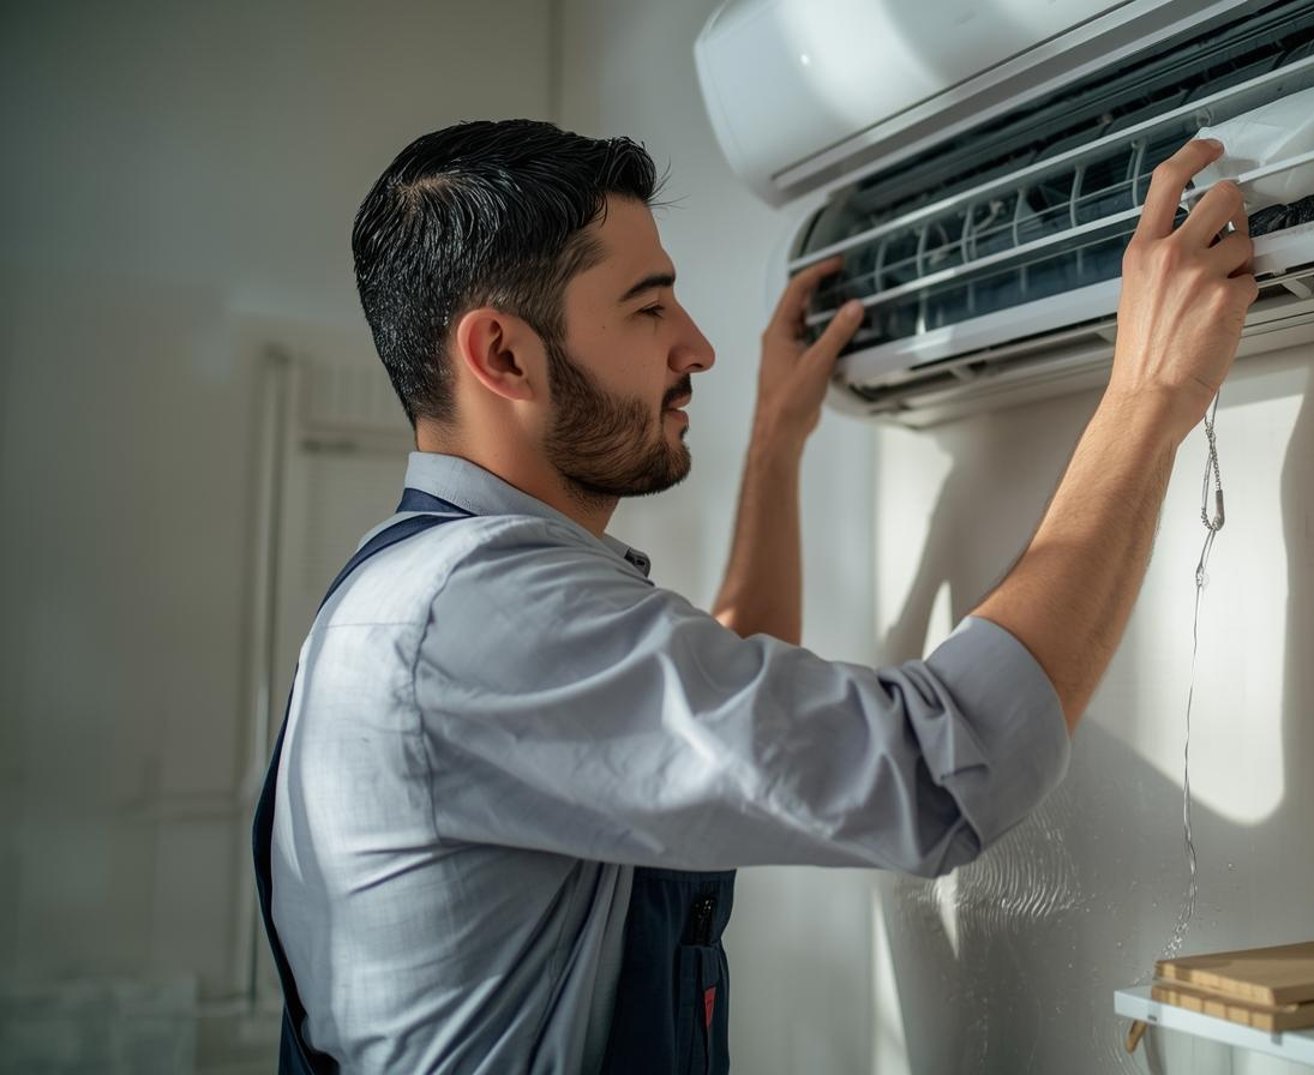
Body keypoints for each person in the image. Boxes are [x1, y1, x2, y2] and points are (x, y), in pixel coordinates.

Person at [254, 118, 1255, 1072]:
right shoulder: (474, 616)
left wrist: (778, 442)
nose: (698, 347)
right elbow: (944, 774)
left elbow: (716, 719)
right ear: (504, 355)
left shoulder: (417, 596)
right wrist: (1150, 395)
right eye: (649, 309)